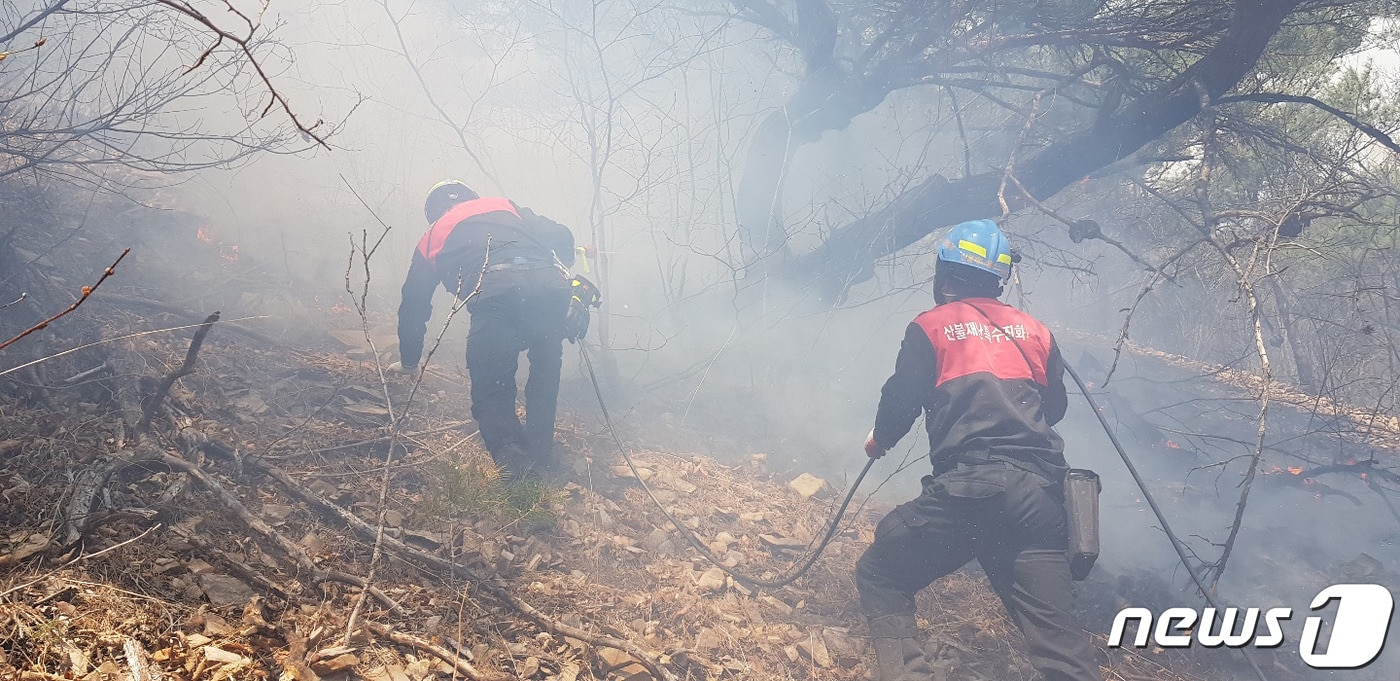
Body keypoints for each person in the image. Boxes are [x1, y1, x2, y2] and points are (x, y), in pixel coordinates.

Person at [856, 219, 1101, 681]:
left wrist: (881, 439)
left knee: (881, 573)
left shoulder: (930, 325)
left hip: (974, 491)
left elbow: (903, 397)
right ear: (1000, 278)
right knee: (1062, 648)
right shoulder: (1036, 332)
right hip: (1042, 502)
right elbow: (1054, 408)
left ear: (944, 272)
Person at [395, 180, 595, 478]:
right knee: (544, 378)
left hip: (497, 299)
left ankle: (518, 473)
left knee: (492, 393)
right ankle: (542, 458)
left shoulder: (433, 234)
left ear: (435, 210)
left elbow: (414, 304)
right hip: (551, 293)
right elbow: (561, 235)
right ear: (470, 197)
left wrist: (410, 361)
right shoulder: (503, 205)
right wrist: (564, 263)